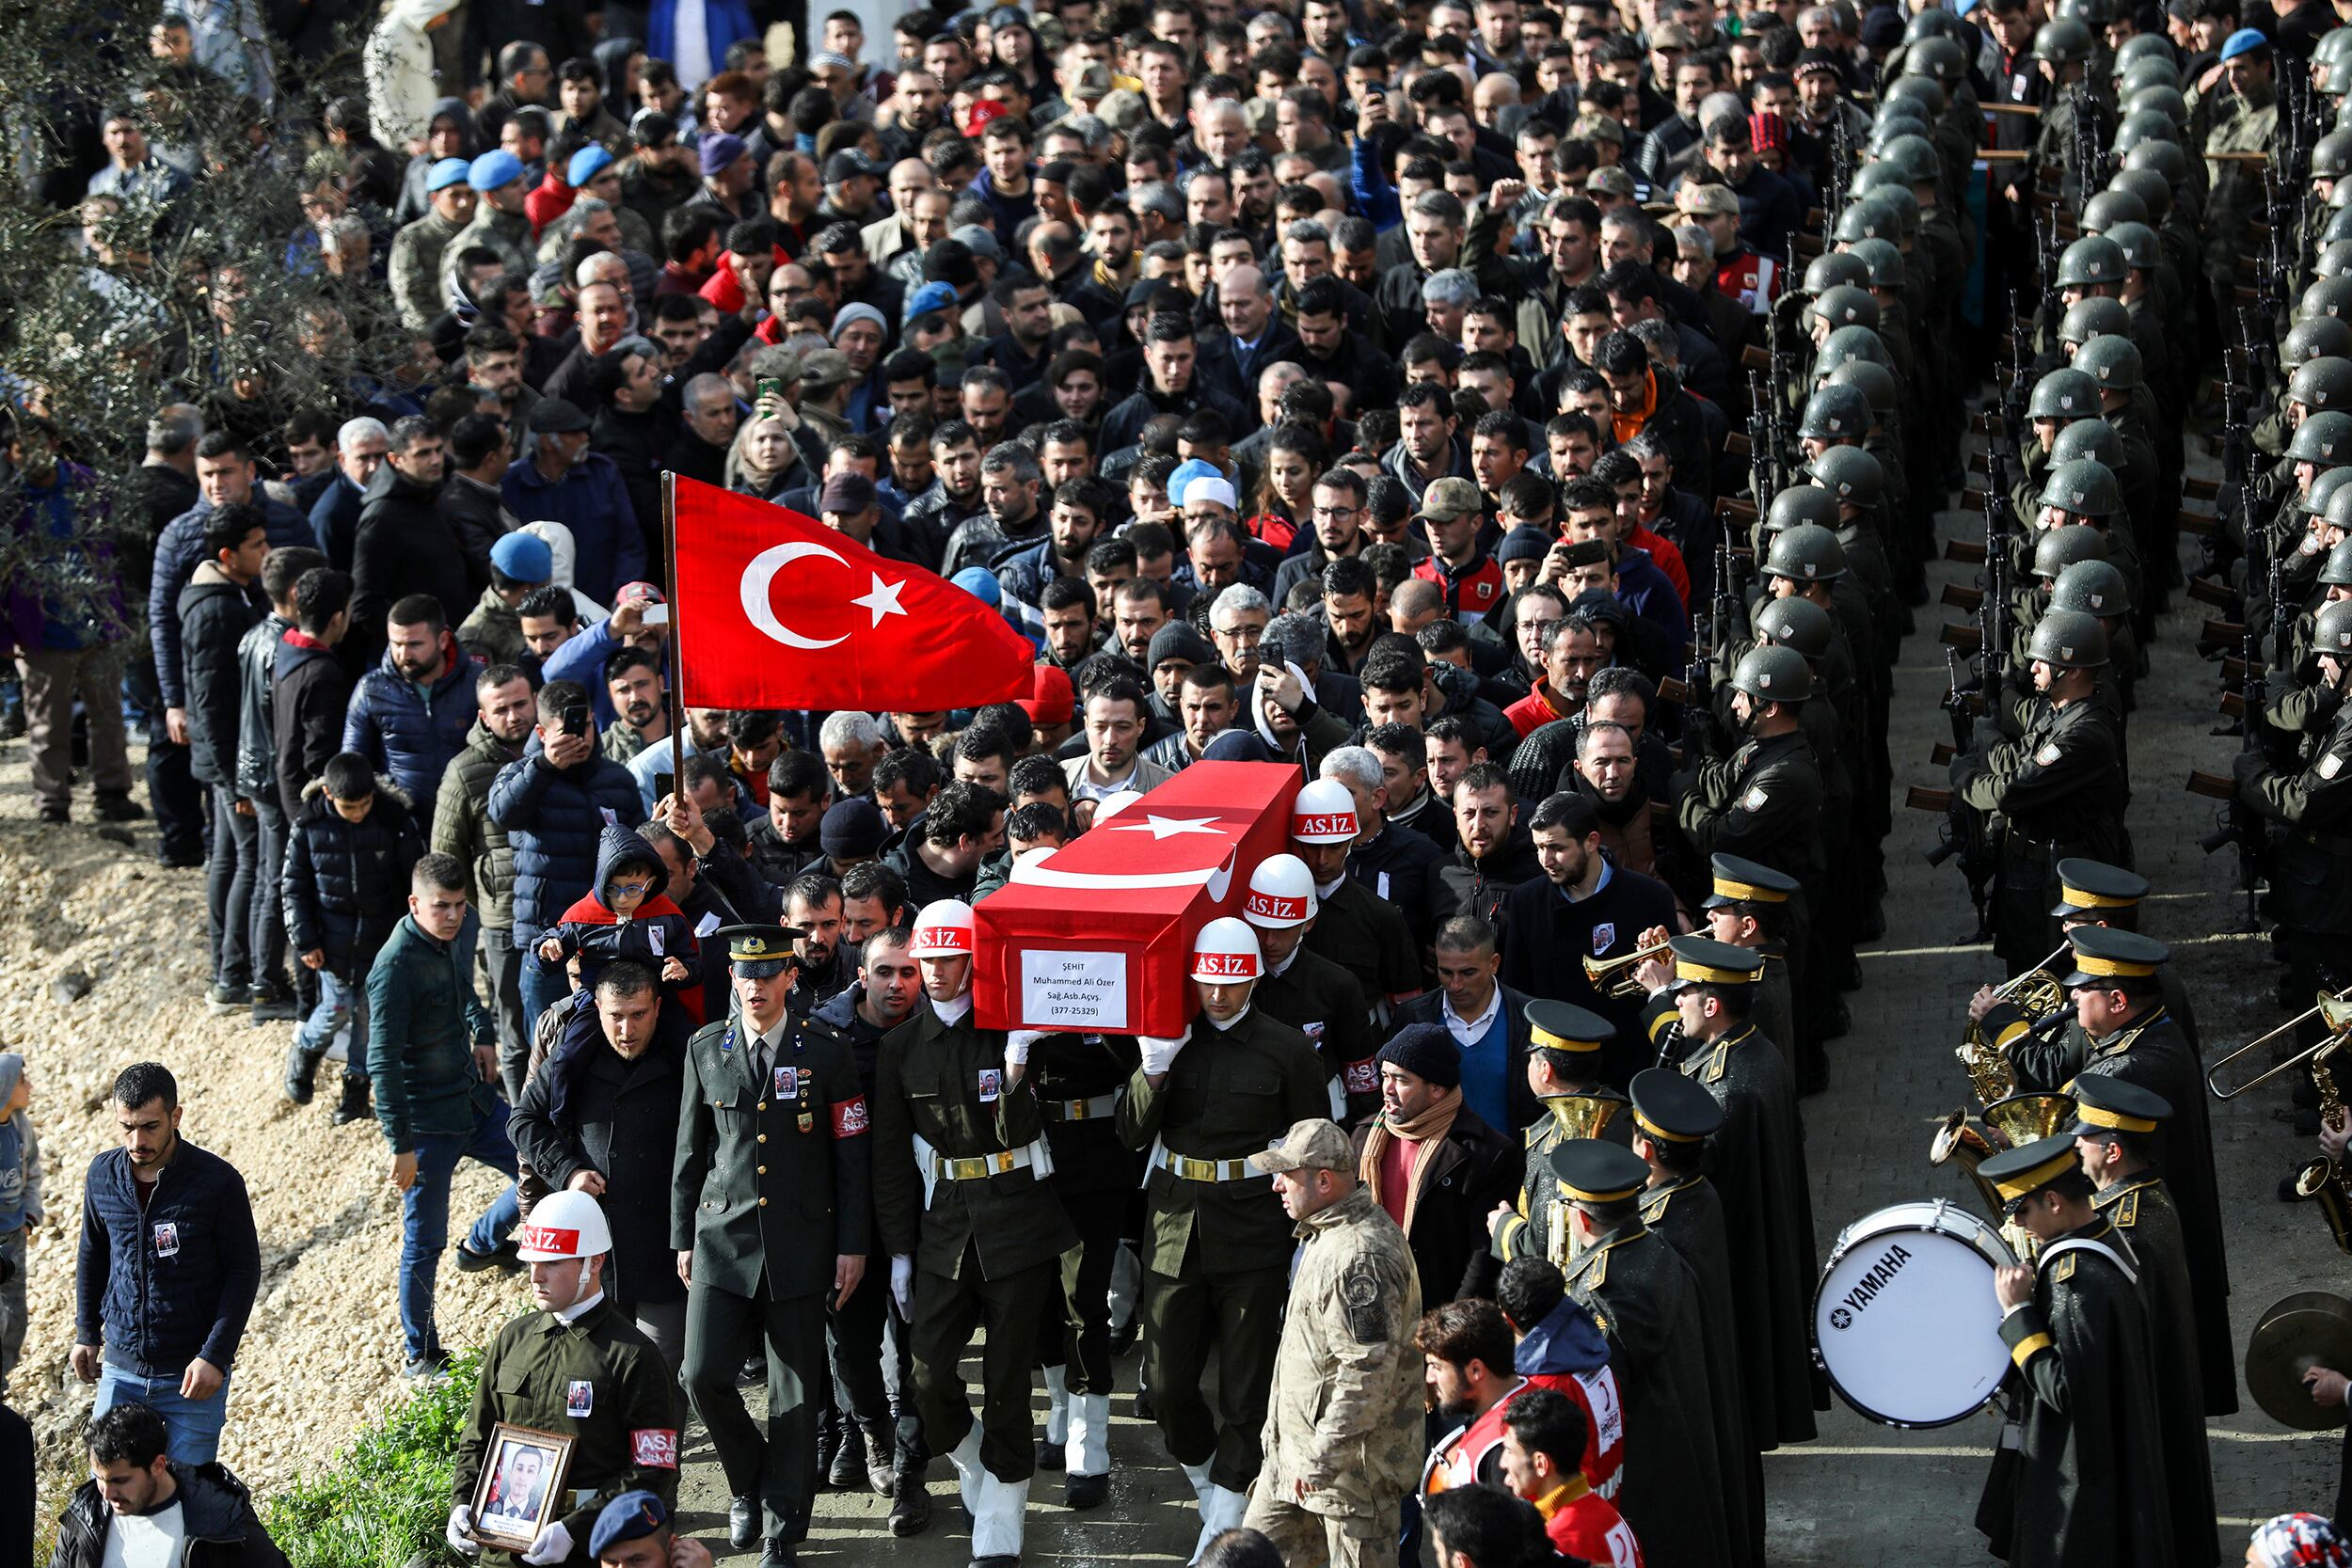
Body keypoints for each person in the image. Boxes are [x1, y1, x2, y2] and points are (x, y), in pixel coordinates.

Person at [872, 901, 1077, 1565]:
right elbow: (890, 1161)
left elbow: (1019, 1132)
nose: (934, 972)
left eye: (948, 958)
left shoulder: (1013, 1029)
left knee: (1009, 1377)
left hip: (1018, 1220)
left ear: (974, 959)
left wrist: (1018, 1063)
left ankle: (1002, 1516)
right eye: (925, 960)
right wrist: (900, 1251)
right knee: (927, 1375)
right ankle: (977, 1463)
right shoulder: (900, 1047)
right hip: (943, 1227)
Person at [1120, 918, 1331, 1560]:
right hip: (1174, 1226)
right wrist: (1153, 1068)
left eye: (1230, 982)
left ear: (1252, 979)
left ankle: (1222, 1522)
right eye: (1207, 981)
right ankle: (1218, 1483)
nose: (1217, 995)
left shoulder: (1287, 1048)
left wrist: (1307, 1233)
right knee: (1164, 1385)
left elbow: (1314, 1143)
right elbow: (1130, 1135)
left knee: (1245, 1388)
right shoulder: (1166, 1037)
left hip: (1253, 1228)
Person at [672, 924, 871, 1568]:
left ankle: (783, 1526)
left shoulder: (826, 1050)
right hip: (721, 1241)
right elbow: (688, 1154)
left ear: (790, 977)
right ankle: (747, 1483)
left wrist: (852, 1243)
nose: (755, 986)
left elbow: (850, 1156)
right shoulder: (706, 1047)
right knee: (700, 1373)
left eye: (768, 974)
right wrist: (681, 1238)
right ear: (731, 976)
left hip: (801, 1241)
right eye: (744, 974)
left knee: (793, 1391)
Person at [445, 1192, 683, 1564]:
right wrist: (462, 1502)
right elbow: (478, 1435)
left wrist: (575, 1528)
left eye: (552, 1263)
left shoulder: (633, 1355)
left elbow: (654, 1468)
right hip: (499, 1547)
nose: (536, 1276)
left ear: (594, 1262)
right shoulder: (512, 1339)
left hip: (586, 1551)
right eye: (531, 1262)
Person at [1976, 1135, 2174, 1568]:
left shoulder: (2075, 1283)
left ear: (2053, 1200)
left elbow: (2066, 1389)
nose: (2020, 1225)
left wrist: (2017, 1314)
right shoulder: (2108, 1234)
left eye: (2023, 1211)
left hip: (2083, 1471)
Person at [370, 853, 524, 1380]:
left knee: (538, 1165)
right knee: (423, 1241)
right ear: (415, 904)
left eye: (461, 906)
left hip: (472, 1100)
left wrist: (481, 1034)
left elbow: (466, 996)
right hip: (426, 1124)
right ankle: (421, 1353)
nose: (455, 915)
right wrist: (400, 1144)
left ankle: (481, 1244)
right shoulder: (392, 967)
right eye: (443, 907)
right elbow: (382, 1061)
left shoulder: (449, 939)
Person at [1241, 1118, 1422, 1568]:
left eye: (1287, 1174)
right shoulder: (1327, 1234)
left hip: (1350, 1479)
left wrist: (1320, 1460)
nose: (1277, 1186)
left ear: (1324, 1180)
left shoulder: (1361, 1257)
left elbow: (1367, 1373)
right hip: (1295, 1462)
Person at [510, 962, 696, 1371]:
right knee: (596, 1369)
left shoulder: (688, 1058)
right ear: (597, 1009)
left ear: (657, 1008)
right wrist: (568, 1172)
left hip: (664, 1244)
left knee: (661, 1367)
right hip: (597, 1247)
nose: (626, 1030)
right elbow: (522, 1120)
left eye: (638, 1015)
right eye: (615, 1016)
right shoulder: (572, 1061)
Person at [72, 1063, 260, 1465]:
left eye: (150, 1126)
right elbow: (93, 1252)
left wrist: (215, 1356)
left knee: (188, 1501)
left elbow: (244, 1272)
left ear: (176, 1117)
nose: (137, 1140)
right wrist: (86, 1331)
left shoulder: (217, 1182)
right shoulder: (102, 1175)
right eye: (127, 1127)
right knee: (110, 1498)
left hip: (191, 1379)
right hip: (120, 1371)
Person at [2069, 1077, 2220, 1568]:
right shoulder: (2147, 1194)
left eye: (2085, 1137)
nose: (2076, 1143)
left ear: (2112, 1151)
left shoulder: (2127, 1224)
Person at [811, 925, 933, 1528]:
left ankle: (911, 1472)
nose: (897, 984)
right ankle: (872, 1435)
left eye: (909, 972)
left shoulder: (937, 1033)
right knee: (852, 1351)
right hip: (848, 1225)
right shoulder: (824, 1037)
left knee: (919, 1356)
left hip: (921, 1221)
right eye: (885, 972)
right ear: (861, 975)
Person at [490, 680, 648, 1033]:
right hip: (546, 938)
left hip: (607, 934)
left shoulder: (617, 779)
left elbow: (639, 848)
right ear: (542, 732)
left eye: (586, 726)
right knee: (547, 1041)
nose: (580, 737)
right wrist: (545, 766)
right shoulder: (522, 774)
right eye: (567, 731)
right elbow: (503, 813)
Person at [282, 753, 423, 1110]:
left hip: (382, 939)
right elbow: (293, 887)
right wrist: (306, 940)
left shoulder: (395, 820)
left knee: (369, 1016)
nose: (358, 812)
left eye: (364, 804)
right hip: (331, 941)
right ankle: (305, 1053)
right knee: (337, 1007)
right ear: (329, 794)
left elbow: (415, 878)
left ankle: (357, 1088)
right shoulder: (309, 825)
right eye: (349, 807)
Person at [1351, 1024, 1521, 1307]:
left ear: (1437, 1089)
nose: (1388, 1089)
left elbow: (1483, 1254)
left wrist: (1453, 1327)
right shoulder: (1364, 1136)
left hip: (1436, 1315)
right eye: (1385, 1076)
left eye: (1402, 1080)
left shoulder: (1488, 1153)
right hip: (1372, 1303)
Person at [180, 505, 269, 1019]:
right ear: (226, 555)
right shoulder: (216, 610)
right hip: (230, 766)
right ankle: (234, 974)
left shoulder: (228, 594)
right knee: (246, 863)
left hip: (225, 763)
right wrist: (233, 782)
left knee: (231, 861)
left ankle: (226, 970)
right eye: (256, 545)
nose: (265, 553)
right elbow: (212, 704)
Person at [437, 664, 537, 1100]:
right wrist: (484, 903)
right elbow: (446, 858)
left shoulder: (561, 753)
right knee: (514, 1032)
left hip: (563, 913)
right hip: (502, 923)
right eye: (502, 709)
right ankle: (523, 1129)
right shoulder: (464, 771)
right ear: (483, 716)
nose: (514, 716)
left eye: (521, 704)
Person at [50, 1403, 287, 1568]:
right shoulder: (84, 1515)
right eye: (100, 1479)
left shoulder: (220, 1515)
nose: (107, 1493)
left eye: (120, 1480)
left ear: (158, 1465)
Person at [344, 595, 483, 827]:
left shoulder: (477, 683)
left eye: (414, 644)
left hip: (467, 820)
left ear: (443, 640)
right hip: (401, 825)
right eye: (396, 644)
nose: (404, 655)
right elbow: (353, 764)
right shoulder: (371, 690)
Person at [1498, 1387, 1642, 1565]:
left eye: (1510, 1451)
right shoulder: (1607, 1513)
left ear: (1541, 1464)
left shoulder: (1559, 1544)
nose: (1502, 1463)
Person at [0, 1054, 40, 1401]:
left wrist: (29, 1217)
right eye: (22, 1080)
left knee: (15, 1314)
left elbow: (33, 1172)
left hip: (14, 1237)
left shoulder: (19, 1127)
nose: (29, 1086)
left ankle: (4, 1373)